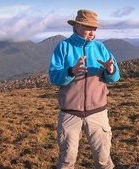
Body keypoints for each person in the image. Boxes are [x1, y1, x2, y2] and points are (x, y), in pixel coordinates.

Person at [48, 9, 120, 169]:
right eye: (89, 28)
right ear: (77, 25)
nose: (92, 32)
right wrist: (70, 72)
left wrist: (111, 70)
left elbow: (115, 78)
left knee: (103, 160)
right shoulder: (63, 47)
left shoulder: (101, 48)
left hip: (98, 112)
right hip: (70, 113)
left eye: (95, 29)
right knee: (67, 160)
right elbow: (53, 76)